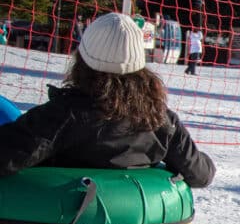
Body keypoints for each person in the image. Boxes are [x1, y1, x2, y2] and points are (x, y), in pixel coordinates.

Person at [0, 12, 215, 187]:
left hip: (59, 222)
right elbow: (200, 174)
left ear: (81, 62)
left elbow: (8, 154)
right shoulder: (160, 119)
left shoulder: (64, 114)